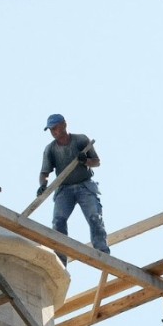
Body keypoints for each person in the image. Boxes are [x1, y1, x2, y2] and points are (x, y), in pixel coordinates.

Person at [38, 113, 110, 265]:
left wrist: (86, 161)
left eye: (55, 128)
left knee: (94, 217)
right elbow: (44, 173)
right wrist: (43, 185)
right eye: (51, 130)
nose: (54, 132)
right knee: (58, 221)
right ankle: (60, 259)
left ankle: (102, 253)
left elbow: (97, 162)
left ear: (64, 124)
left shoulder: (80, 140)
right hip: (65, 189)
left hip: (84, 186)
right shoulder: (50, 149)